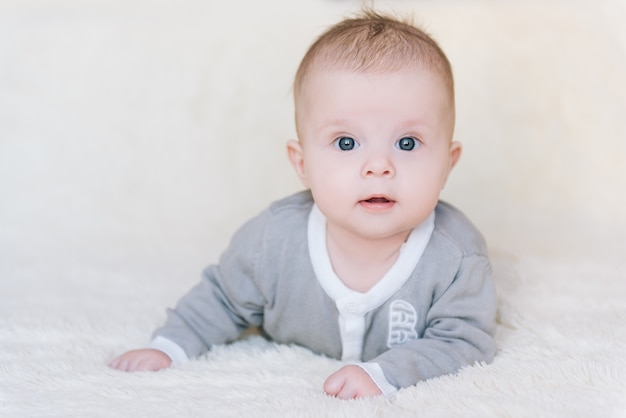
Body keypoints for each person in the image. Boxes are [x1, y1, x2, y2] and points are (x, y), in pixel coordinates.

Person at [109, 9, 497, 400]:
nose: (378, 167)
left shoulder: (456, 258)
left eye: (407, 143)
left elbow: (465, 342)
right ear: (302, 164)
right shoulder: (272, 242)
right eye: (346, 143)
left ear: (448, 163)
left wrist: (386, 373)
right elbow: (221, 298)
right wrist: (169, 347)